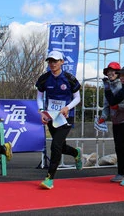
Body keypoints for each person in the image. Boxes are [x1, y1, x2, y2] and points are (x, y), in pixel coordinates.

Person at [35, 50, 83, 190]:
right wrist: (41, 112)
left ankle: (49, 178)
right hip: (51, 116)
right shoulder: (44, 78)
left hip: (66, 117)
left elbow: (77, 98)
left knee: (55, 146)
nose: (52, 64)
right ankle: (76, 153)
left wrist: (67, 107)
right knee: (60, 147)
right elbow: (39, 97)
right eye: (50, 61)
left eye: (55, 61)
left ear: (62, 62)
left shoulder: (69, 78)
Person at [98, 62, 124, 183]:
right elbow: (107, 104)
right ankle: (121, 173)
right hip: (116, 122)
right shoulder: (107, 87)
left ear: (118, 73)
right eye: (108, 71)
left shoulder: (123, 86)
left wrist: (119, 107)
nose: (110, 73)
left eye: (113, 71)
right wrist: (103, 116)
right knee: (119, 148)